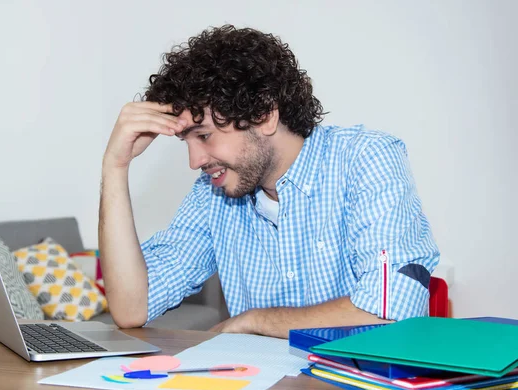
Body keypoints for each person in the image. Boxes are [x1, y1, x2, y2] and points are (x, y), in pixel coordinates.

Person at [99, 25, 440, 339]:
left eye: (203, 135)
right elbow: (132, 309)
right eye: (185, 141)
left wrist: (256, 321)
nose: (195, 161)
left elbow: (392, 311)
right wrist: (115, 166)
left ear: (264, 115)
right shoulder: (212, 194)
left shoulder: (366, 159)